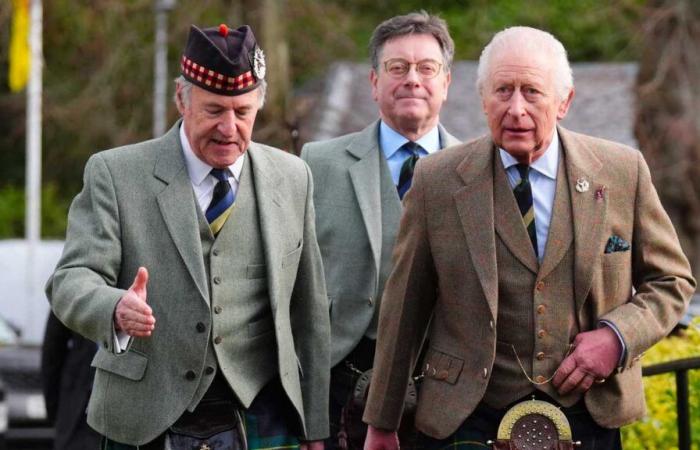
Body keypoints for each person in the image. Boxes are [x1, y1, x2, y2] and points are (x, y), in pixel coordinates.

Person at [362, 26, 695, 450]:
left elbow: (673, 282)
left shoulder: (621, 172)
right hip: (466, 418)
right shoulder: (437, 180)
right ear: (483, 99)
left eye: (532, 92)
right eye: (502, 91)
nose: (515, 109)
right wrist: (382, 421)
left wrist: (617, 336)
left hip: (588, 417)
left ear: (564, 102)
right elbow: (404, 304)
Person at [46, 22, 329, 450]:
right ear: (182, 99)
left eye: (243, 112)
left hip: (262, 411)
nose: (229, 128)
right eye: (214, 110)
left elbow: (309, 313)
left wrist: (316, 426)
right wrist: (114, 307)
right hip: (145, 417)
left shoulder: (293, 178)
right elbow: (70, 279)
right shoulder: (116, 174)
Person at [300, 11, 459, 448]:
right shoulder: (318, 163)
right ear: (374, 82)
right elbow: (295, 291)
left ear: (446, 83)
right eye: (397, 67)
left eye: (426, 68)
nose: (412, 79)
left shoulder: (479, 171)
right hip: (339, 387)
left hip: (443, 390)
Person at [41, 311, 101, 450]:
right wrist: (57, 411)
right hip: (77, 413)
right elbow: (52, 351)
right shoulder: (73, 291)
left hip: (124, 416)